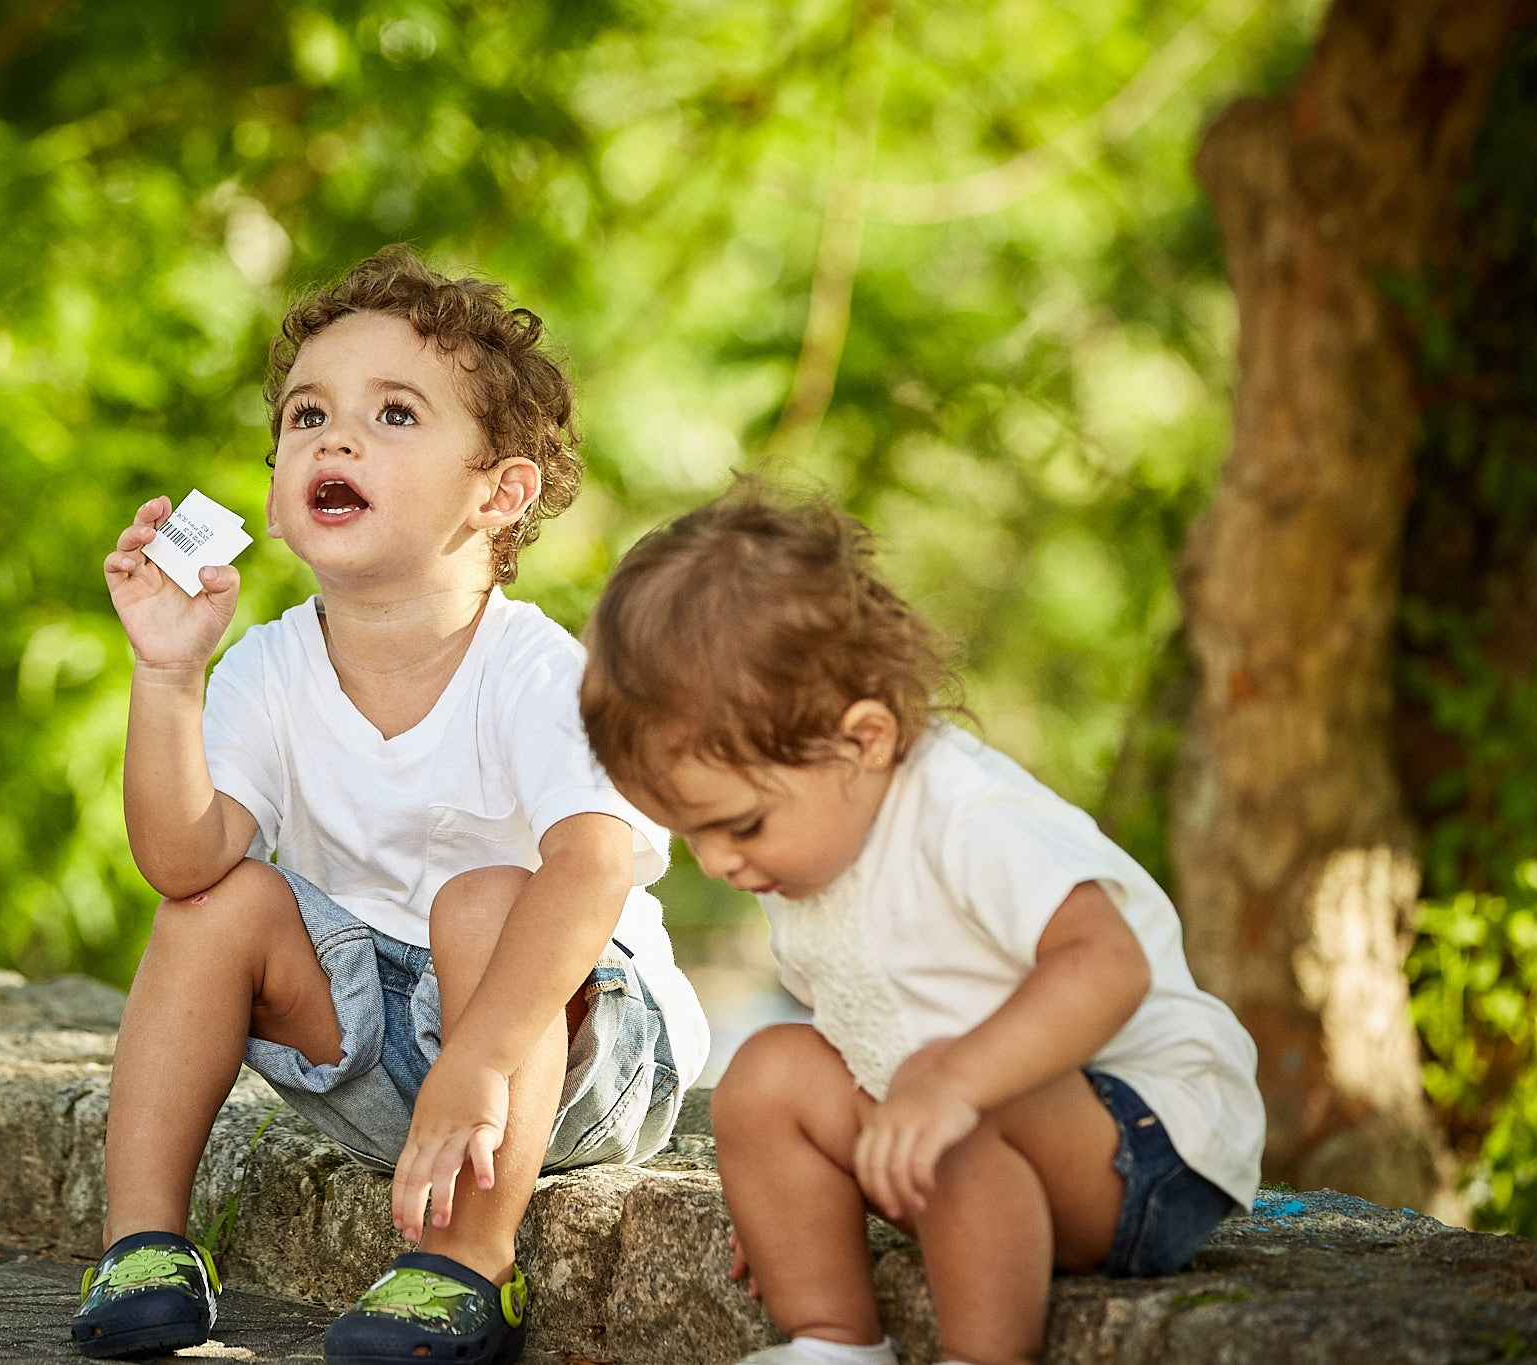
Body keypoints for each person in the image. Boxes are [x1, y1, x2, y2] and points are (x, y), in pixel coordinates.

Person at [75, 245, 708, 1364]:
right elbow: (180, 860)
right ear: (275, 487)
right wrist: (166, 672)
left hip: (569, 1053)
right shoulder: (265, 668)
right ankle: (142, 1245)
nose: (336, 437)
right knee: (214, 908)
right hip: (379, 1064)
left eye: (395, 415)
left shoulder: (531, 668)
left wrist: (477, 1060)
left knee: (479, 901)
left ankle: (468, 1266)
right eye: (306, 416)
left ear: (499, 493)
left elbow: (597, 864)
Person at [578, 481, 1262, 1365]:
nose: (717, 864)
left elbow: (1109, 962)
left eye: (740, 824)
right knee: (766, 1076)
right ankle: (834, 1341)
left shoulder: (967, 815)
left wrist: (954, 1083)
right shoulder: (810, 855)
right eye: (694, 833)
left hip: (1143, 1148)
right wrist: (797, 1202)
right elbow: (861, 1039)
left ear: (861, 740)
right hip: (969, 1143)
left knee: (947, 1092)